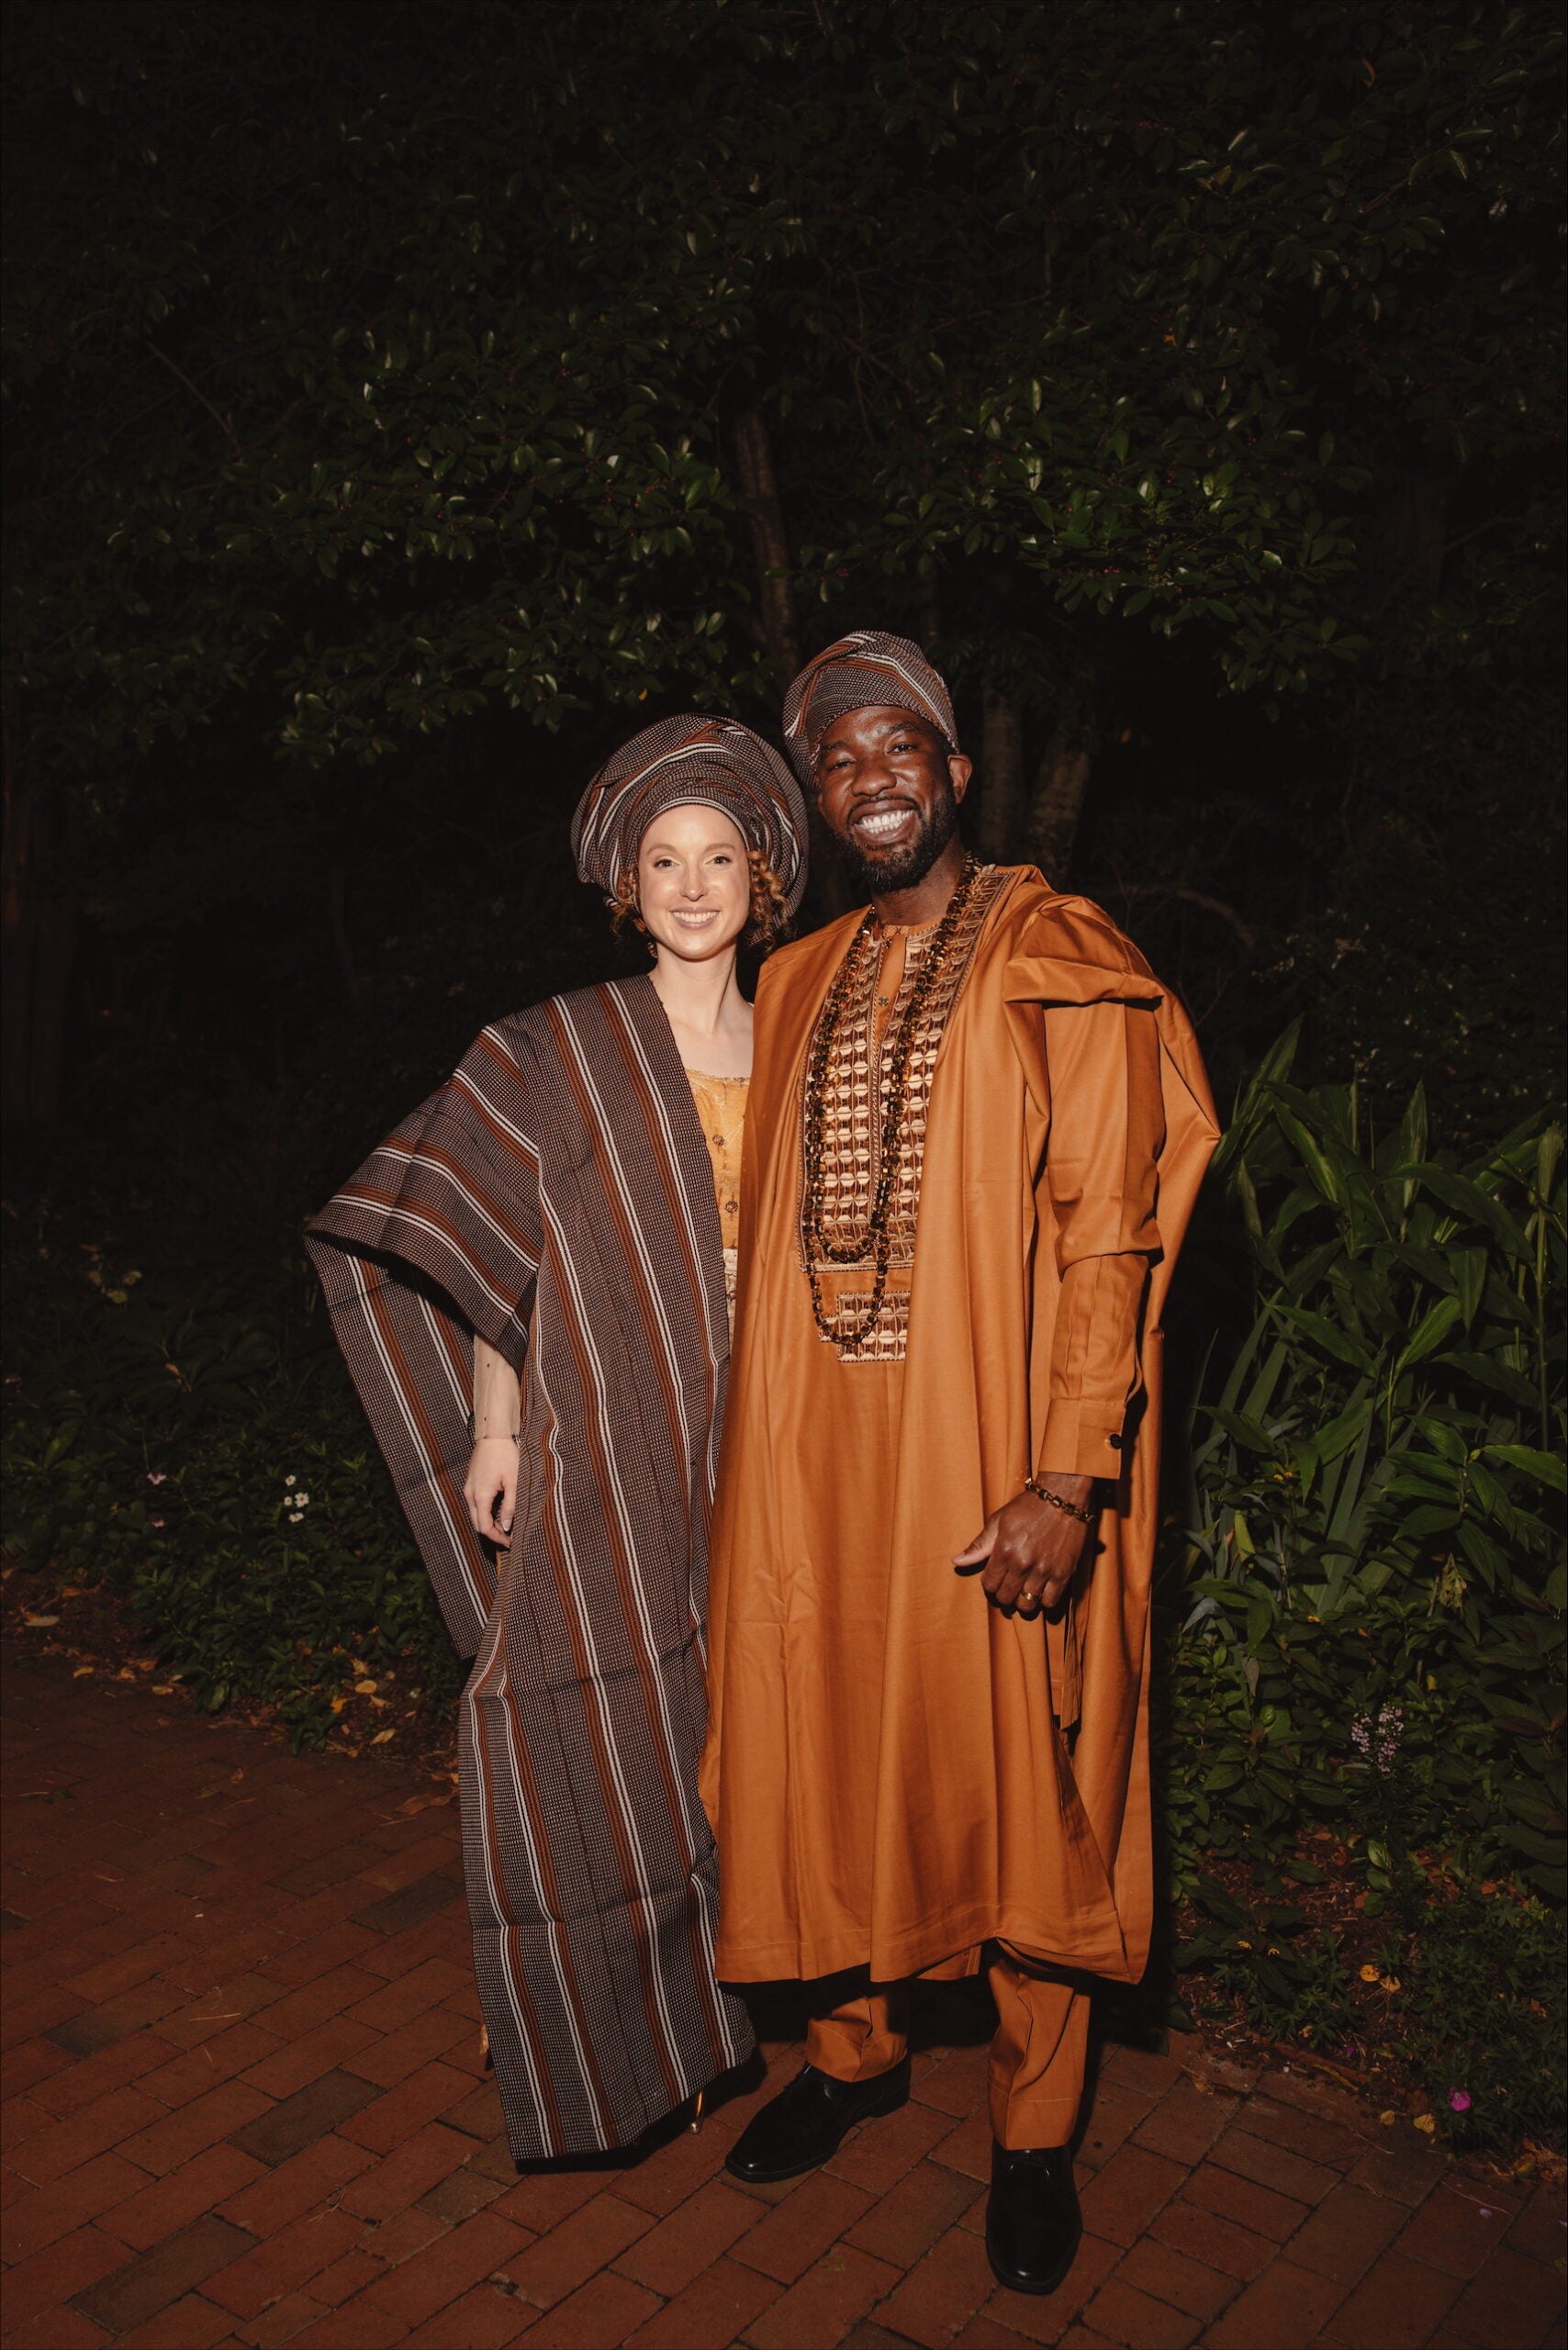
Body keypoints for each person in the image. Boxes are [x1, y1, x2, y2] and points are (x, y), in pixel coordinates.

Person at [700, 632, 1218, 2291]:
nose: (870, 777)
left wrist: (1070, 1476)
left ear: (957, 768)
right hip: (812, 1468)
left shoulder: (1059, 951)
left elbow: (1111, 1234)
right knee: (819, 1739)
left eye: (896, 744)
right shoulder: (791, 982)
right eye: (837, 757)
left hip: (987, 1462)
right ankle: (850, 2057)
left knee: (1024, 1784)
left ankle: (1033, 2132)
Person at [307, 715, 808, 2165]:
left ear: (764, 874)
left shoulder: (804, 1039)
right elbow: (481, 1240)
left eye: (720, 856)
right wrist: (498, 1419)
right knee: (594, 1711)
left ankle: (750, 2003)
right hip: (617, 1434)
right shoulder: (559, 1045)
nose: (694, 884)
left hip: (782, 1450)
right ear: (627, 886)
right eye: (665, 860)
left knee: (753, 1734)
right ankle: (609, 2040)